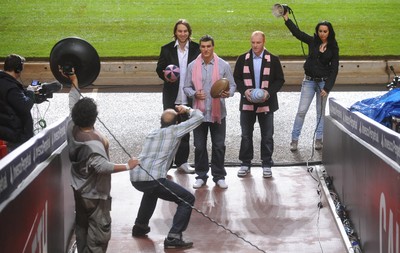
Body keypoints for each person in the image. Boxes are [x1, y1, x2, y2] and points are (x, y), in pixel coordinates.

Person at [66, 71, 140, 253]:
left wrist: (74, 81)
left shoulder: (72, 125)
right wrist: (127, 166)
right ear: (94, 117)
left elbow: (73, 102)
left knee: (81, 227)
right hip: (94, 196)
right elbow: (102, 167)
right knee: (98, 236)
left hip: (78, 189)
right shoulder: (93, 144)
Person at [129, 105, 204, 249]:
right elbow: (199, 117)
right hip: (153, 178)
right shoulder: (175, 131)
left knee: (151, 193)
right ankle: (174, 238)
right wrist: (186, 109)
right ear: (177, 123)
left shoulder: (152, 132)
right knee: (187, 199)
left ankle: (140, 226)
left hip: (136, 176)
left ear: (160, 122)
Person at [183, 35, 236, 189]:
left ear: (213, 47)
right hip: (199, 114)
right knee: (199, 146)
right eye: (203, 47)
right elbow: (186, 87)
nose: (206, 49)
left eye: (208, 46)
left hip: (218, 113)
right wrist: (194, 94)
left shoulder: (223, 65)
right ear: (200, 48)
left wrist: (228, 93)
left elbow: (232, 85)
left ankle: (219, 176)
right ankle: (201, 175)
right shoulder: (192, 66)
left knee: (219, 145)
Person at [281, 12, 339, 151]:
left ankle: (318, 140)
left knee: (320, 113)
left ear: (329, 32)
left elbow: (334, 69)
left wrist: (328, 88)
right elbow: (298, 33)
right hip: (308, 81)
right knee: (301, 111)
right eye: (320, 31)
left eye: (325, 31)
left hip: (323, 83)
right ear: (317, 31)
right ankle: (294, 140)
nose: (322, 34)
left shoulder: (333, 47)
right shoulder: (312, 41)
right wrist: (286, 19)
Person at [233, 31, 285, 178]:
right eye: (253, 43)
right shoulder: (242, 58)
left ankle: (267, 164)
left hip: (267, 103)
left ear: (264, 42)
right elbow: (237, 78)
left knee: (267, 136)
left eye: (258, 43)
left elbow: (280, 80)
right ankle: (245, 163)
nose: (255, 46)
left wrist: (268, 92)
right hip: (247, 103)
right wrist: (245, 92)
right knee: (245, 136)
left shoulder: (273, 59)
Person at [156, 19, 200, 174]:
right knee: (167, 130)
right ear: (175, 32)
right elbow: (159, 69)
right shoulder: (167, 49)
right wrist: (166, 77)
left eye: (185, 31)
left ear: (189, 33)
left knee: (185, 131)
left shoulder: (196, 49)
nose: (182, 34)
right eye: (180, 31)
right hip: (171, 96)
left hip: (188, 96)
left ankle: (182, 162)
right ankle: (165, 165)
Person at [0, 54, 35, 152]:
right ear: (18, 69)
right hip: (16, 135)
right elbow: (24, 106)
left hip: (6, 131)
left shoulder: (3, 81)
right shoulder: (11, 88)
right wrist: (30, 92)